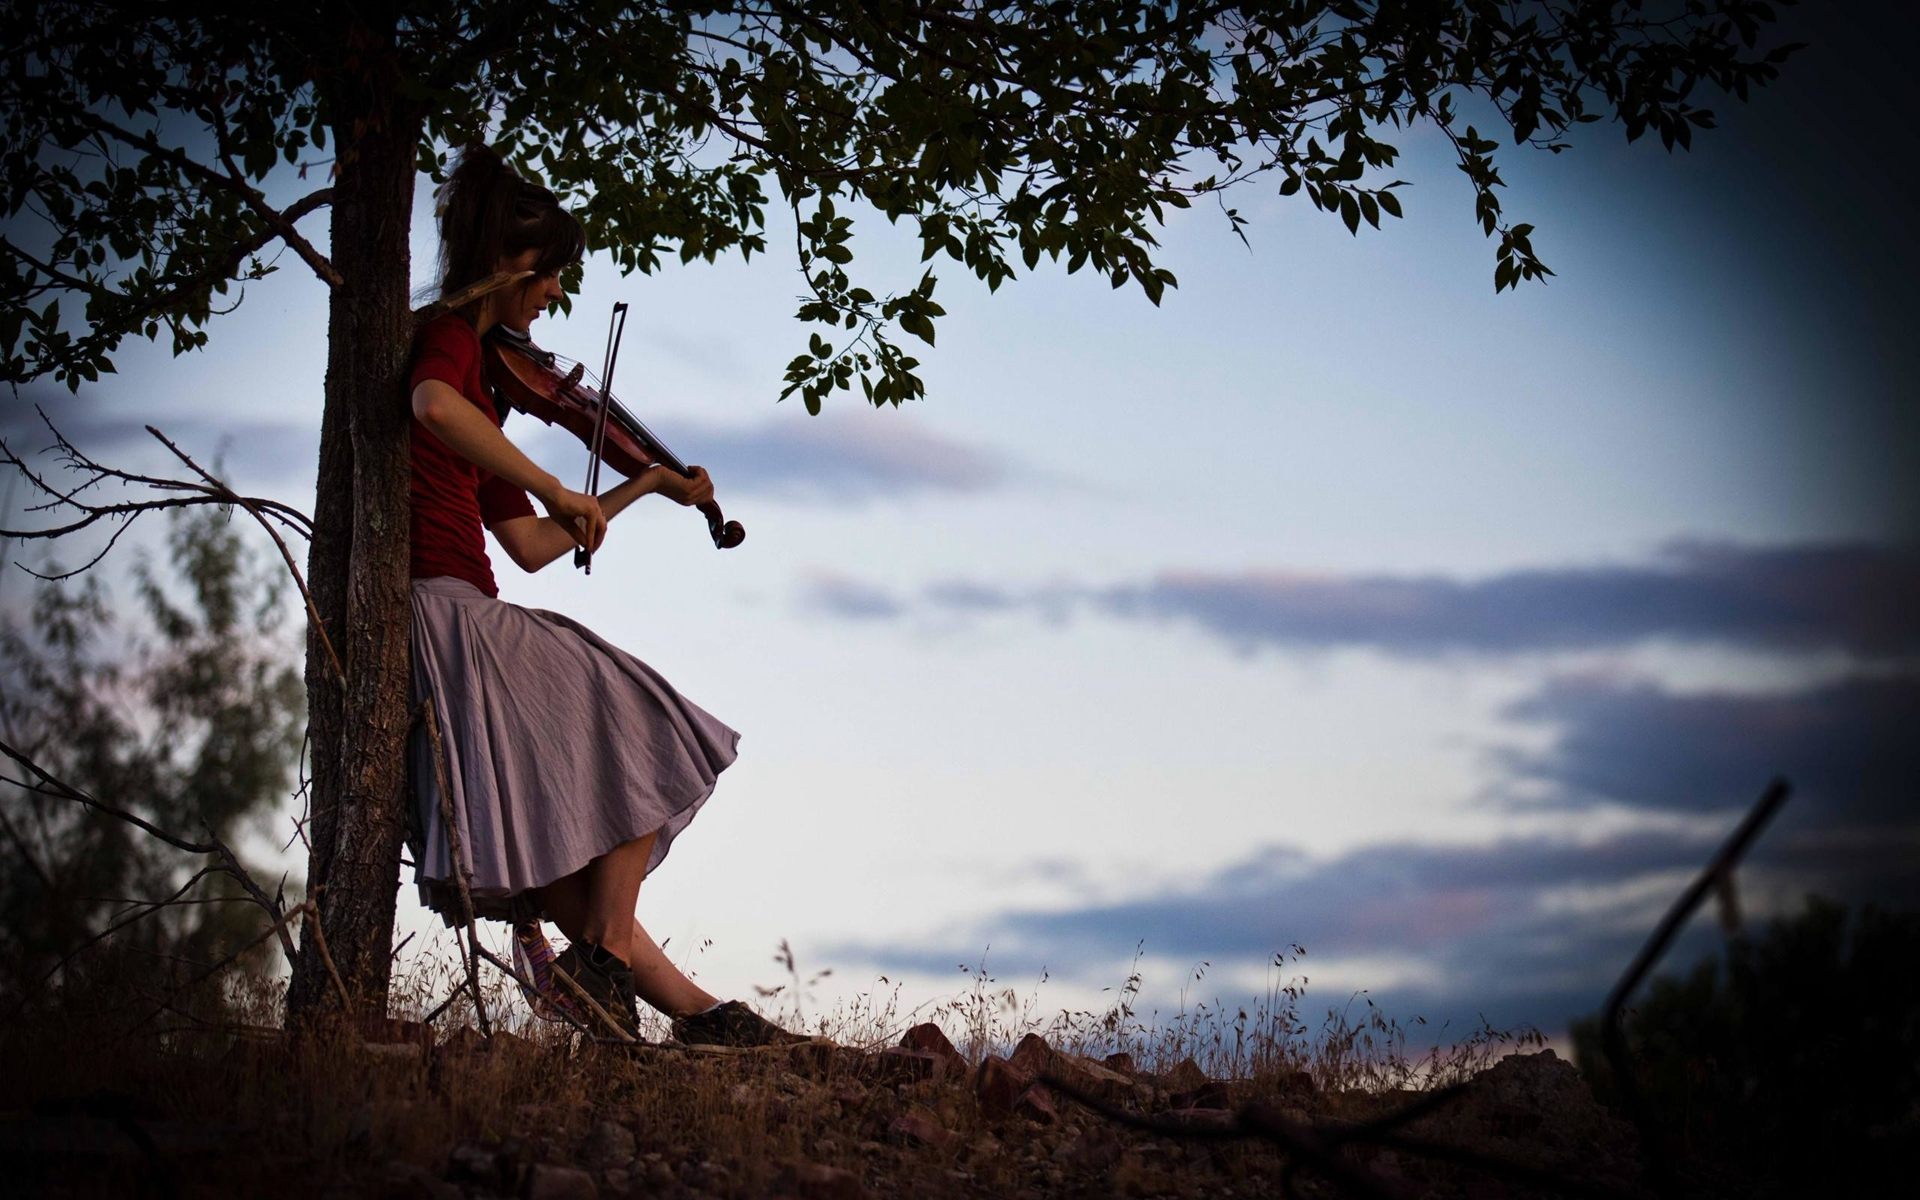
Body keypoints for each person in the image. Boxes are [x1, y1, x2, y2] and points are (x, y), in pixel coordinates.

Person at [406, 142, 797, 1049]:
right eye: (549, 280)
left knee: (569, 878)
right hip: (446, 612)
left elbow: (537, 548)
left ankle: (697, 1017)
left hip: (467, 607)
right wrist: (558, 481)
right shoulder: (448, 342)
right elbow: (432, 406)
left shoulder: (487, 401)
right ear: (512, 266)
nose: (552, 299)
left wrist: (640, 487)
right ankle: (609, 959)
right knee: (648, 721)